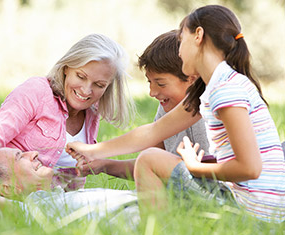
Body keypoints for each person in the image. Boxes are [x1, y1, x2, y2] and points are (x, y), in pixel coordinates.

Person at [67, 5, 285, 223]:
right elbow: (153, 132)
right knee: (152, 156)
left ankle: (157, 234)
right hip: (248, 205)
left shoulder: (226, 90)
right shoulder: (215, 87)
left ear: (198, 36)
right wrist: (92, 150)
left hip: (254, 213)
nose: (179, 52)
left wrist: (195, 168)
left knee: (150, 159)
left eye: (181, 41)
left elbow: (250, 168)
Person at [0, 33, 135, 191]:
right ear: (67, 68)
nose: (86, 90)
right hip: (8, 192)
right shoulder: (38, 91)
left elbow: (70, 182)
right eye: (81, 76)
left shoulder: (92, 114)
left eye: (99, 85)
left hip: (51, 203)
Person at [76, 30, 212, 179]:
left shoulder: (208, 104)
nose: (152, 92)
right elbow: (149, 166)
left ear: (192, 78)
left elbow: (149, 138)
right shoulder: (166, 108)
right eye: (149, 82)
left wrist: (93, 150)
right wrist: (104, 165)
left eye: (160, 84)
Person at [0, 145, 139, 228]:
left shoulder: (56, 198)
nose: (34, 153)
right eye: (20, 157)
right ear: (9, 190)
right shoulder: (36, 209)